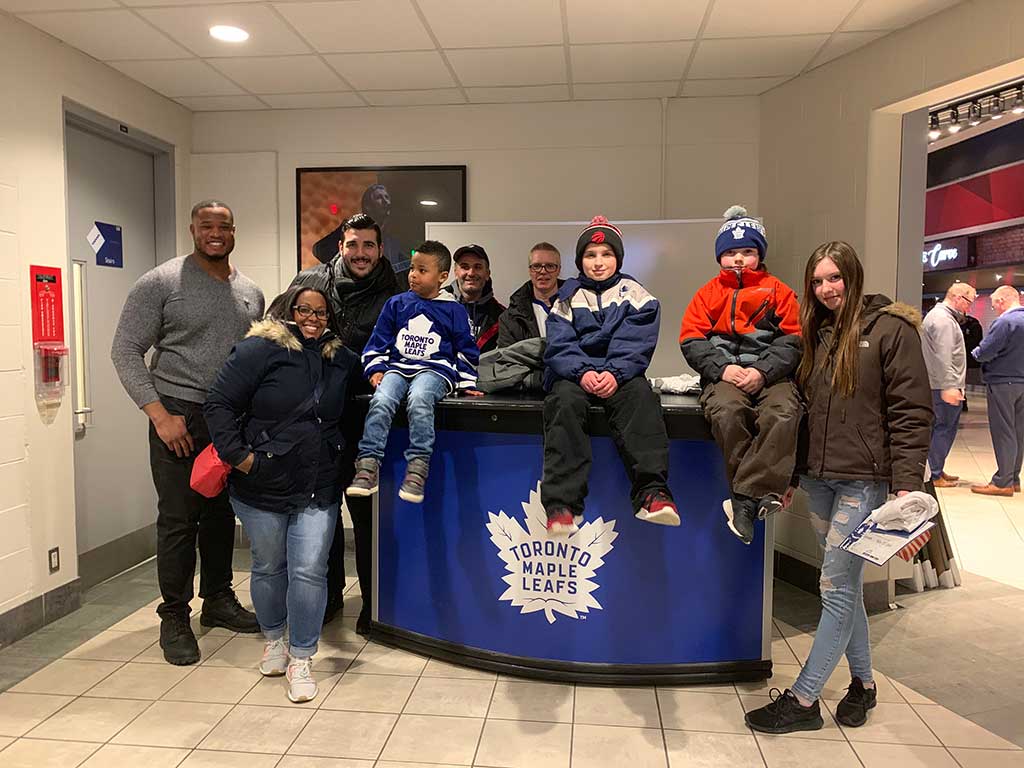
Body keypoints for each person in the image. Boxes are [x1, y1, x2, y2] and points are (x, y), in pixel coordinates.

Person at [744, 241, 931, 734]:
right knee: (843, 586)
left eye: (834, 278)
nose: (827, 289)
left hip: (865, 482)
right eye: (818, 281)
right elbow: (798, 415)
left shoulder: (891, 329)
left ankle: (805, 701)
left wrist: (907, 490)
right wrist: (787, 476)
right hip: (820, 480)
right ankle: (864, 685)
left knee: (833, 585)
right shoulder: (814, 334)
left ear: (853, 276)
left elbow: (911, 413)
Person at [111, 200, 264, 665]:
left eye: (224, 226)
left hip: (228, 420)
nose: (215, 233)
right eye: (206, 225)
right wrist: (158, 415)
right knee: (179, 520)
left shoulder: (250, 291)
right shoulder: (160, 282)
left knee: (220, 515)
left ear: (234, 231)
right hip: (177, 415)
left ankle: (217, 600)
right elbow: (125, 351)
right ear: (193, 230)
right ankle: (174, 615)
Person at [204, 286, 359, 703]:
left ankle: (302, 657)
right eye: (304, 309)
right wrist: (242, 459)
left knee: (309, 569)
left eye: (321, 311)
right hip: (262, 482)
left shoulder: (340, 358)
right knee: (270, 565)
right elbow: (217, 404)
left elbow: (357, 405)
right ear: (287, 311)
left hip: (319, 481)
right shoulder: (258, 351)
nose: (313, 317)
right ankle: (274, 639)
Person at [291, 212, 400, 631]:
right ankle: (329, 598)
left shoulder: (395, 291)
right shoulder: (309, 283)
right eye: (352, 244)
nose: (360, 253)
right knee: (322, 511)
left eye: (368, 245)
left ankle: (374, 607)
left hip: (371, 419)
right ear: (340, 245)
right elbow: (281, 336)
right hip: (317, 418)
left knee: (370, 515)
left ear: (379, 248)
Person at [541, 216, 680, 535]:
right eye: (590, 255)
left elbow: (637, 340)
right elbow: (559, 343)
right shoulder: (566, 297)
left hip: (621, 374)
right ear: (580, 261)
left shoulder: (637, 294)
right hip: (576, 376)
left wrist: (615, 373)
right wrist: (584, 371)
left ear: (618, 257)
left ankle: (652, 493)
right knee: (563, 402)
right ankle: (561, 505)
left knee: (642, 398)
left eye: (606, 254)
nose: (598, 262)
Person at [680, 205, 801, 544]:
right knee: (728, 412)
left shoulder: (779, 291)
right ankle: (757, 494)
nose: (738, 259)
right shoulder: (706, 293)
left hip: (771, 376)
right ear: (720, 256)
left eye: (747, 252)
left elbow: (792, 341)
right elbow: (691, 339)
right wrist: (722, 369)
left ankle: (743, 500)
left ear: (759, 255)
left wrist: (762, 371)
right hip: (724, 377)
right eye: (731, 252)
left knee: (784, 412)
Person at [347, 241, 481, 503]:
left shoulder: (454, 309)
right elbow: (378, 341)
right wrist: (375, 369)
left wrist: (466, 382)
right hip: (398, 368)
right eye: (411, 268)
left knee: (420, 399)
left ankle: (418, 468)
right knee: (382, 400)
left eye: (422, 270)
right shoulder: (396, 304)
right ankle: (367, 465)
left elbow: (466, 350)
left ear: (442, 277)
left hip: (435, 371)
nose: (413, 275)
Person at [970, 285, 1024, 497]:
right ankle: (1013, 478)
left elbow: (984, 352)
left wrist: (975, 352)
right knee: (1019, 432)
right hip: (1022, 382)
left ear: (1002, 300)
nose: (995, 309)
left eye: (995, 305)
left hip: (1003, 382)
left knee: (1004, 432)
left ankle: (1002, 482)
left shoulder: (1005, 322)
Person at [921, 283, 975, 487]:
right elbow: (944, 357)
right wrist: (949, 386)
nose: (969, 307)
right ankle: (934, 474)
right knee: (944, 428)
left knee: (941, 428)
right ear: (959, 298)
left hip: (939, 383)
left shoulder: (940, 317)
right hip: (942, 385)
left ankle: (937, 469)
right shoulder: (943, 320)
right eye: (970, 301)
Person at [498, 242, 564, 346]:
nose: (543, 271)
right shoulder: (509, 318)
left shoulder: (578, 305)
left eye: (550, 266)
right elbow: (507, 359)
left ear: (559, 270)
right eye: (536, 266)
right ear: (529, 270)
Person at [444, 244, 506, 353]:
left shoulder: (502, 317)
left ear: (487, 274)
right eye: (465, 267)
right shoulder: (435, 306)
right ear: (455, 272)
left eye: (477, 267)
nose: (471, 273)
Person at [959, 310, 983, 412]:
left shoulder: (973, 325)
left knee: (962, 381)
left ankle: (962, 402)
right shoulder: (952, 323)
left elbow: (976, 342)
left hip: (968, 359)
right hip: (959, 358)